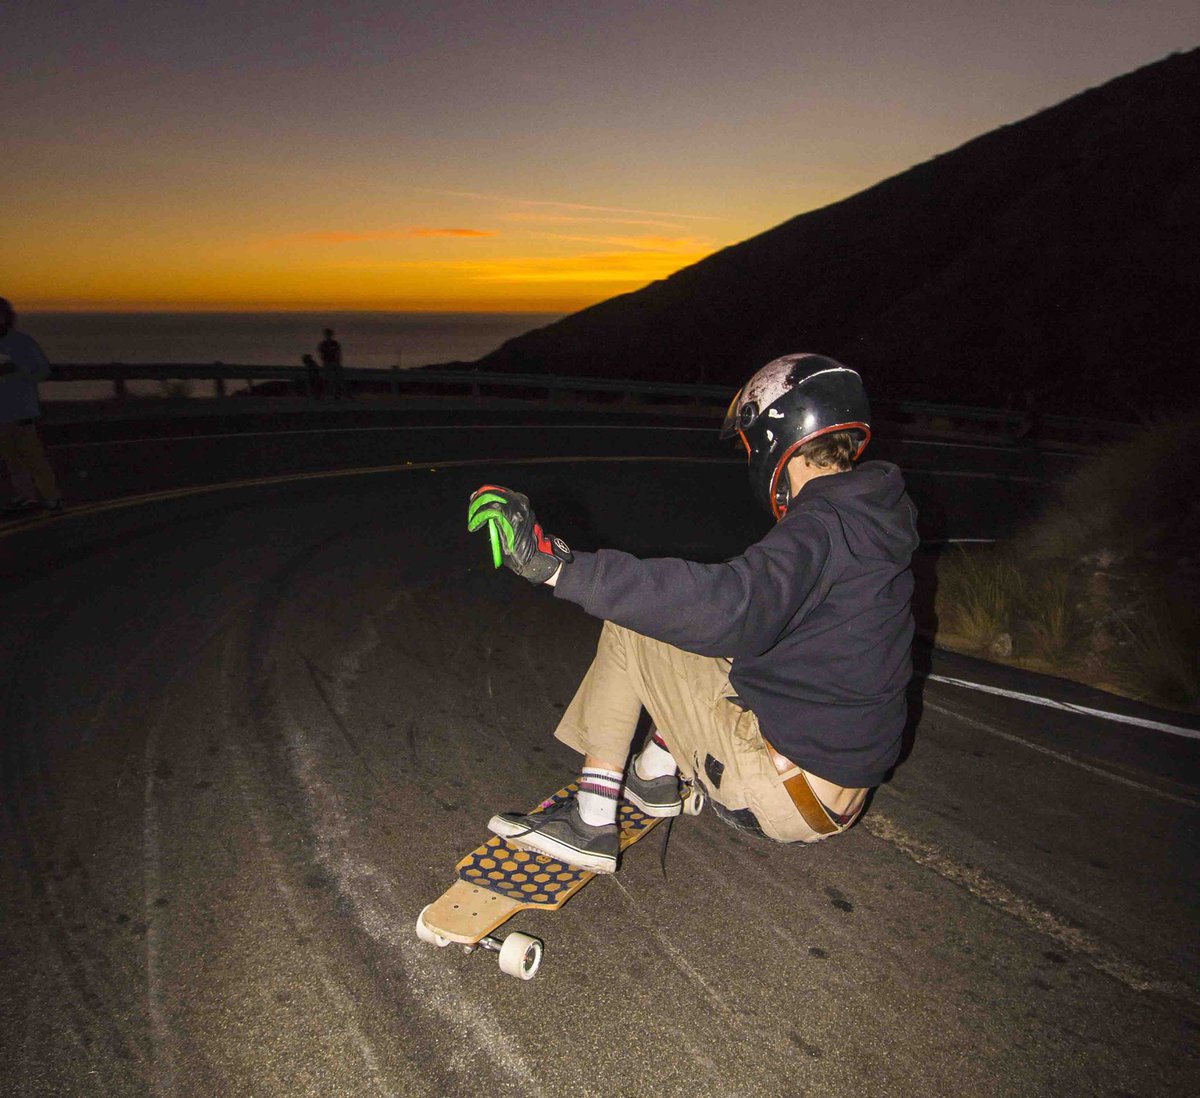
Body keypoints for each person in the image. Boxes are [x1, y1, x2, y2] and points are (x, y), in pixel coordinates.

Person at [466, 353, 918, 873]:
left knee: (633, 623)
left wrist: (559, 568)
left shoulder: (819, 524)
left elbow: (727, 607)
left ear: (774, 436)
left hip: (782, 793)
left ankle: (590, 822)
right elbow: (761, 616)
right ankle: (655, 778)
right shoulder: (872, 516)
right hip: (836, 798)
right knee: (692, 633)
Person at [0, 297, 63, 516]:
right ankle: (27, 497)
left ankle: (52, 498)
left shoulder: (22, 342)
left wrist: (18, 370)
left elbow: (42, 371)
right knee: (12, 459)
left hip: (22, 411)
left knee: (33, 457)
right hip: (1, 414)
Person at [317, 327, 346, 399]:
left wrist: (337, 362)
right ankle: (326, 394)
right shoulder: (323, 344)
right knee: (327, 379)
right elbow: (321, 353)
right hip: (328, 363)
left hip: (333, 363)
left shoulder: (334, 343)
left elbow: (338, 353)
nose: (328, 336)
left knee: (337, 378)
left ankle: (336, 394)